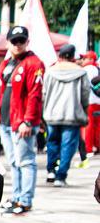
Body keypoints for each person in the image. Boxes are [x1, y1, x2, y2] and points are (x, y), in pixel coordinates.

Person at [0, 25, 44, 215]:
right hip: (7, 120)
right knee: (14, 162)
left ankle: (25, 200)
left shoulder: (34, 63)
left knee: (25, 161)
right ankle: (16, 197)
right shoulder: (7, 63)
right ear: (8, 42)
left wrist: (29, 121)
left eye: (21, 41)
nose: (17, 44)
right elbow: (2, 93)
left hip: (22, 121)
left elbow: (35, 94)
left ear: (27, 42)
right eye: (14, 41)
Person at [43, 44, 91, 188]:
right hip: (72, 114)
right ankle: (61, 176)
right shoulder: (81, 73)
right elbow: (85, 95)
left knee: (52, 143)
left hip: (52, 114)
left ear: (60, 56)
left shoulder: (50, 72)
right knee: (67, 147)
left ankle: (51, 170)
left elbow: (44, 94)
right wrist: (85, 111)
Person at [80, 51, 100, 154]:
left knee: (89, 125)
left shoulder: (86, 70)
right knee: (97, 125)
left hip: (89, 101)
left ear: (91, 59)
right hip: (98, 100)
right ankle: (98, 146)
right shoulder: (97, 69)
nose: (82, 60)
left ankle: (88, 148)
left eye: (85, 58)